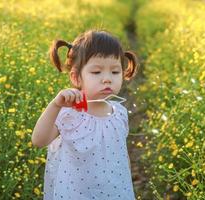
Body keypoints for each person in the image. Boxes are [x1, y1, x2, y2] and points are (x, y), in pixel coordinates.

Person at [31, 29, 139, 200]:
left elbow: (121, 155)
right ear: (76, 78)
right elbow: (38, 140)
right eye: (96, 72)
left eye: (115, 72)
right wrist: (55, 105)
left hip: (114, 191)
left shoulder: (119, 113)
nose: (107, 79)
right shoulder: (70, 113)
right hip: (75, 193)